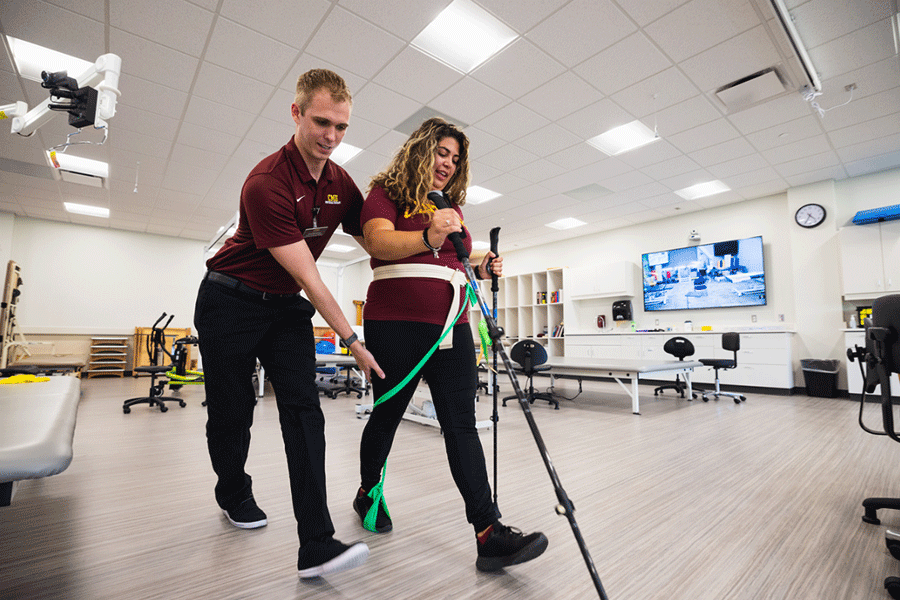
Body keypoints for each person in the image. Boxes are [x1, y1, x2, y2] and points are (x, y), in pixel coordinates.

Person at [194, 68, 385, 579]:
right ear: (296, 112)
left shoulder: (339, 182)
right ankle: (232, 490)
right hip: (229, 301)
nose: (332, 136)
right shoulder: (266, 183)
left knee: (304, 412)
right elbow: (311, 278)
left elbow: (379, 242)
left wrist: (448, 256)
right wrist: (352, 339)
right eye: (322, 122)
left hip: (282, 309)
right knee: (234, 412)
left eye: (342, 127)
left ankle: (316, 544)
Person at [353, 117, 549, 572]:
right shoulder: (386, 193)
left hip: (452, 325)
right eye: (442, 152)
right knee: (387, 414)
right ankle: (368, 494)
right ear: (421, 149)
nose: (448, 163)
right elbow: (378, 242)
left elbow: (452, 262)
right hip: (395, 323)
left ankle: (488, 532)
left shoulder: (451, 205)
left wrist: (482, 269)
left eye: (456, 158)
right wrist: (430, 233)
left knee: (461, 424)